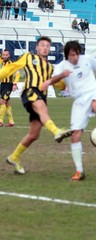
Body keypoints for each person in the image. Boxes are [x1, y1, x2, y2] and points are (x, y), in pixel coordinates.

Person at [0, 36, 72, 174]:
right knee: (42, 109)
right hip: (30, 91)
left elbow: (59, 85)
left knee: (34, 134)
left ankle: (14, 157)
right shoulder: (29, 57)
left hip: (42, 96)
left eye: (47, 45)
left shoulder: (50, 68)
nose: (45, 47)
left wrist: (65, 80)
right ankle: (57, 131)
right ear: (37, 48)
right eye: (42, 45)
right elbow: (10, 68)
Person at [42, 40, 96, 181]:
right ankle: (79, 171)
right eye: (72, 55)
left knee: (95, 105)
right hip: (79, 101)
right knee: (75, 135)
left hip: (93, 93)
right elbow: (53, 79)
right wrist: (61, 76)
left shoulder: (87, 60)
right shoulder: (62, 66)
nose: (75, 57)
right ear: (67, 55)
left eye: (77, 54)